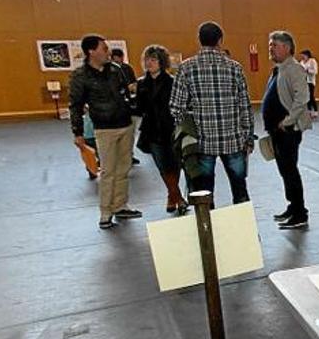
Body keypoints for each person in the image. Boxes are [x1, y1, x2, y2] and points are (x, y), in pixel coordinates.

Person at [169, 21, 254, 206]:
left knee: (204, 193)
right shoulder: (235, 68)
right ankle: (244, 229)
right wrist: (248, 136)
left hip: (203, 142)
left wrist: (189, 128)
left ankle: (208, 230)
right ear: (220, 40)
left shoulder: (186, 68)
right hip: (233, 140)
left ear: (199, 40)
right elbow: (245, 106)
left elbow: (176, 107)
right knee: (240, 189)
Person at [69, 34, 141, 229]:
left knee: (123, 168)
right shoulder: (80, 76)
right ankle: (105, 212)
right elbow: (75, 105)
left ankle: (120, 205)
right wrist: (77, 132)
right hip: (104, 128)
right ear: (91, 51)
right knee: (108, 171)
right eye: (103, 48)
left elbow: (127, 94)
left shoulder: (117, 70)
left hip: (125, 124)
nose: (107, 51)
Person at [262, 30, 312, 230]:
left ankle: (300, 213)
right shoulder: (279, 69)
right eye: (270, 45)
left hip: (288, 131)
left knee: (290, 171)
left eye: (274, 45)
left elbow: (302, 98)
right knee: (285, 170)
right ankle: (293, 207)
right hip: (278, 131)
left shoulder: (294, 69)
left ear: (286, 47)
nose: (271, 49)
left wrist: (288, 121)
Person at [134, 44, 187, 216]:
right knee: (162, 166)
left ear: (162, 62)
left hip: (171, 128)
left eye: (154, 59)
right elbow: (139, 108)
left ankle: (173, 196)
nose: (149, 63)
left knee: (175, 163)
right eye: (147, 60)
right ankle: (175, 196)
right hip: (152, 130)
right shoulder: (141, 84)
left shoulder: (173, 82)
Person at [299, 49, 319, 118]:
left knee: (311, 96)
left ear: (307, 55)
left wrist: (308, 70)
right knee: (306, 97)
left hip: (310, 81)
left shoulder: (312, 61)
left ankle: (315, 111)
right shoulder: (301, 62)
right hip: (303, 82)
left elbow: (315, 71)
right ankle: (309, 111)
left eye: (303, 55)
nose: (302, 57)